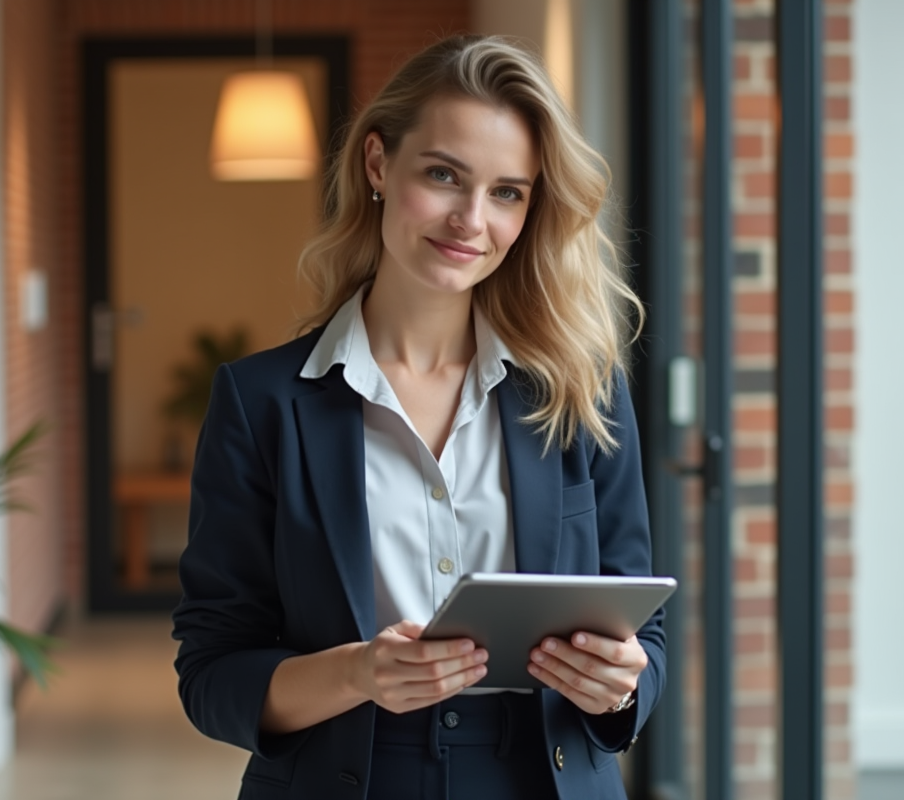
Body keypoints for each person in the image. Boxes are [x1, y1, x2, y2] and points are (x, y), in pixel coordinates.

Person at [172, 34, 665, 800]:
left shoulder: (582, 392)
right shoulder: (260, 402)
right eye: (444, 176)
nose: (472, 219)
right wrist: (358, 672)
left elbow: (648, 641)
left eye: (508, 192)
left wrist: (623, 685)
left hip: (542, 776)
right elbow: (211, 673)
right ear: (377, 164)